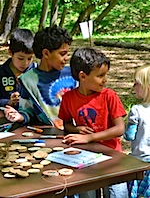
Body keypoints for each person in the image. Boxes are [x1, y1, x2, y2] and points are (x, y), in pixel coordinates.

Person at [58, 47, 129, 198]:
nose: (105, 80)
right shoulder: (68, 98)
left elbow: (120, 128)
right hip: (85, 160)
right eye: (100, 75)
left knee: (118, 194)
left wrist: (89, 137)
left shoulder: (109, 96)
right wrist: (77, 130)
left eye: (105, 75)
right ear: (82, 76)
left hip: (113, 159)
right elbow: (66, 124)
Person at [4, 25, 77, 130]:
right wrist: (20, 117)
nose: (66, 58)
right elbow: (27, 111)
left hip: (75, 133)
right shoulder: (27, 80)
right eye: (62, 54)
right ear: (46, 53)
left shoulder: (73, 75)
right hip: (48, 134)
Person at [124, 65, 150, 198]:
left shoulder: (137, 110)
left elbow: (129, 136)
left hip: (140, 161)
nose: (133, 87)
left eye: (137, 83)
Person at [0, 28, 37, 118]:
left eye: (29, 58)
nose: (25, 63)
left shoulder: (36, 72)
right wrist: (8, 102)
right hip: (7, 118)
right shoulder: (1, 72)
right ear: (10, 52)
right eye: (20, 58)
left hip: (32, 118)